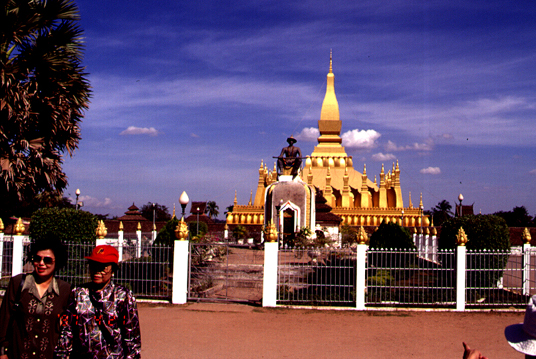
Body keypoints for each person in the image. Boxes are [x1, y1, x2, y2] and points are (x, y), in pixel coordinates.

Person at [55, 245, 141, 358]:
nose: (97, 270)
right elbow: (68, 330)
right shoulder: (78, 294)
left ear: (113, 269)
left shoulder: (123, 297)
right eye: (93, 265)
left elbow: (132, 338)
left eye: (103, 267)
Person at [0, 236, 71, 359]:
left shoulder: (65, 290)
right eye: (37, 259)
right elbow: (4, 321)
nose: (41, 264)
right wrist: (3, 353)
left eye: (47, 260)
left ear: (57, 262)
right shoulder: (18, 284)